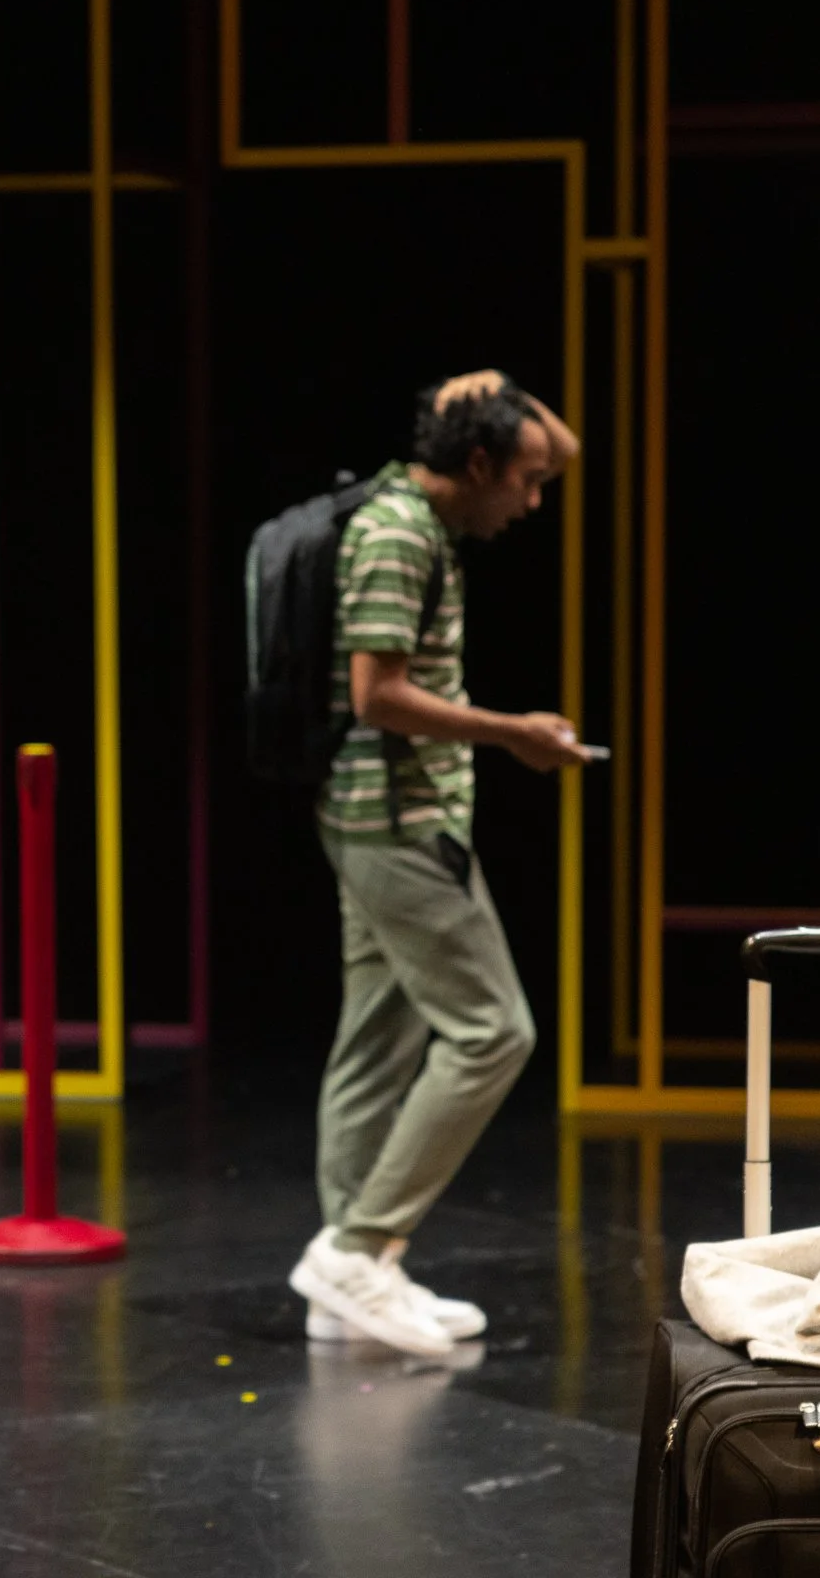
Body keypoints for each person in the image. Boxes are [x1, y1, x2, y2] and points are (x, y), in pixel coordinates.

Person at [286, 372, 590, 1358]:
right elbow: (376, 695)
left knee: (377, 1041)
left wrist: (509, 390)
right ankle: (357, 1248)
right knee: (494, 1031)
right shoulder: (399, 534)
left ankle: (350, 1281)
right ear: (479, 463)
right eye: (525, 481)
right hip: (399, 823)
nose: (533, 500)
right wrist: (513, 733)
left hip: (382, 818)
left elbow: (567, 447)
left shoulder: (408, 511)